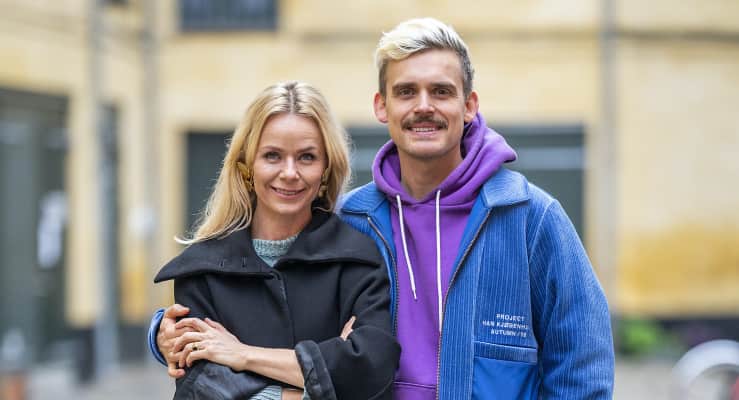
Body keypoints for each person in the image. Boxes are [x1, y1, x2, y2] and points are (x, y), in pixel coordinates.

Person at [151, 18, 615, 399]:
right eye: (406, 91)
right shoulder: (355, 219)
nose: (423, 106)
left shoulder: (530, 217)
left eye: (441, 91)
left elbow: (584, 367)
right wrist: (163, 332)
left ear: (470, 105)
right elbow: (264, 288)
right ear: (381, 106)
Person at [151, 81, 400, 399]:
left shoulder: (358, 259)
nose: (290, 172)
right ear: (247, 166)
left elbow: (371, 372)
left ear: (326, 168)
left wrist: (242, 355)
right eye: (272, 156)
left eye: (307, 157)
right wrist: (316, 382)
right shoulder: (202, 271)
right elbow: (201, 390)